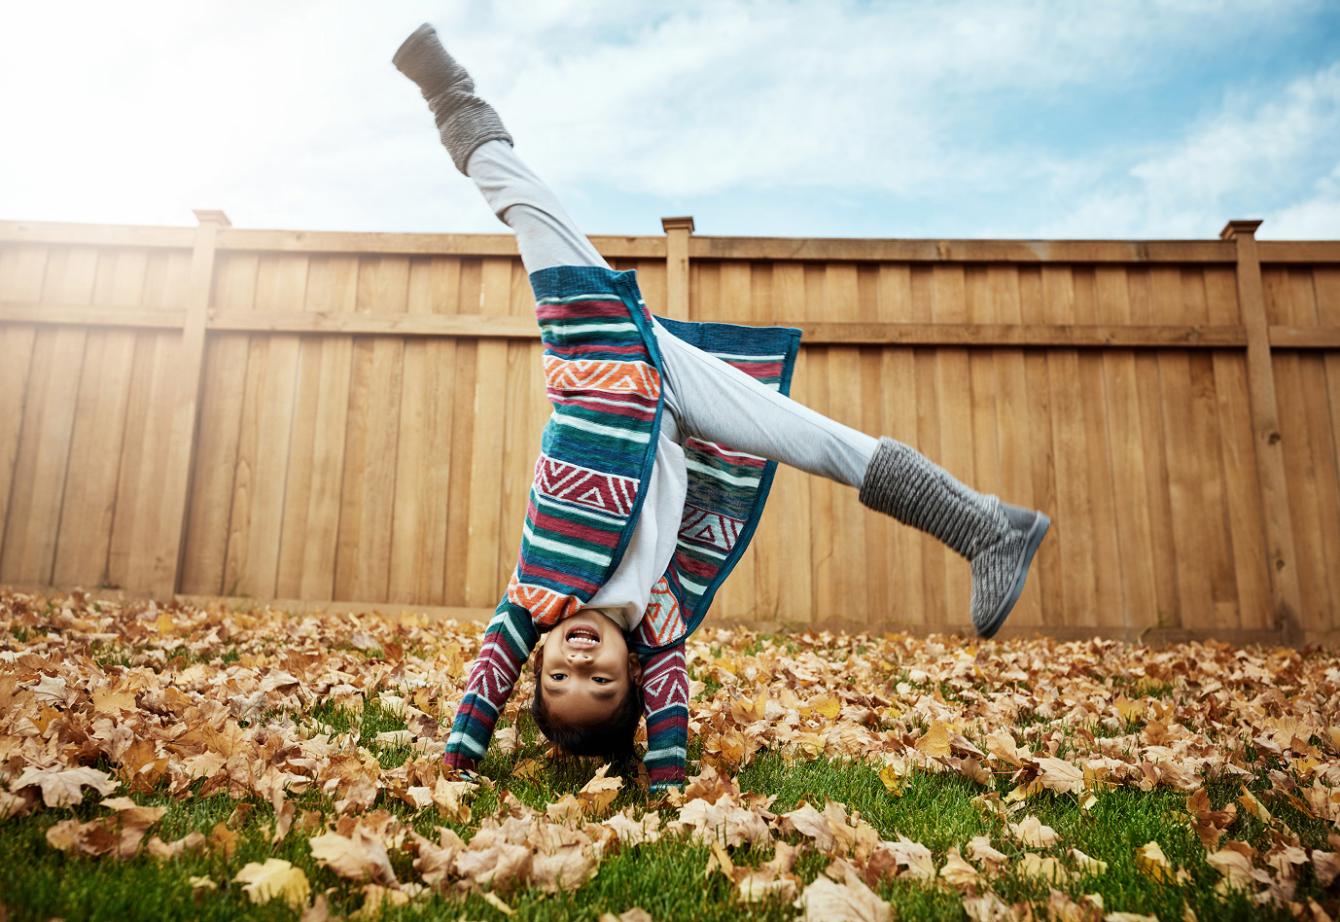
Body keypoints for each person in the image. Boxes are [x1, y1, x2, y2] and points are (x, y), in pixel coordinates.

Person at [392, 23, 1050, 791]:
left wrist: (456, 766)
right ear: (633, 674)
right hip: (678, 403)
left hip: (600, 369)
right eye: (601, 683)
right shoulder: (659, 622)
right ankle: (989, 528)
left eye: (557, 678)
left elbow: (483, 684)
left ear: (532, 663)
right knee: (822, 443)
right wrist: (669, 782)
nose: (580, 663)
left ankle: (450, 95)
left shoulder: (530, 597)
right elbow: (670, 711)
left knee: (529, 208)